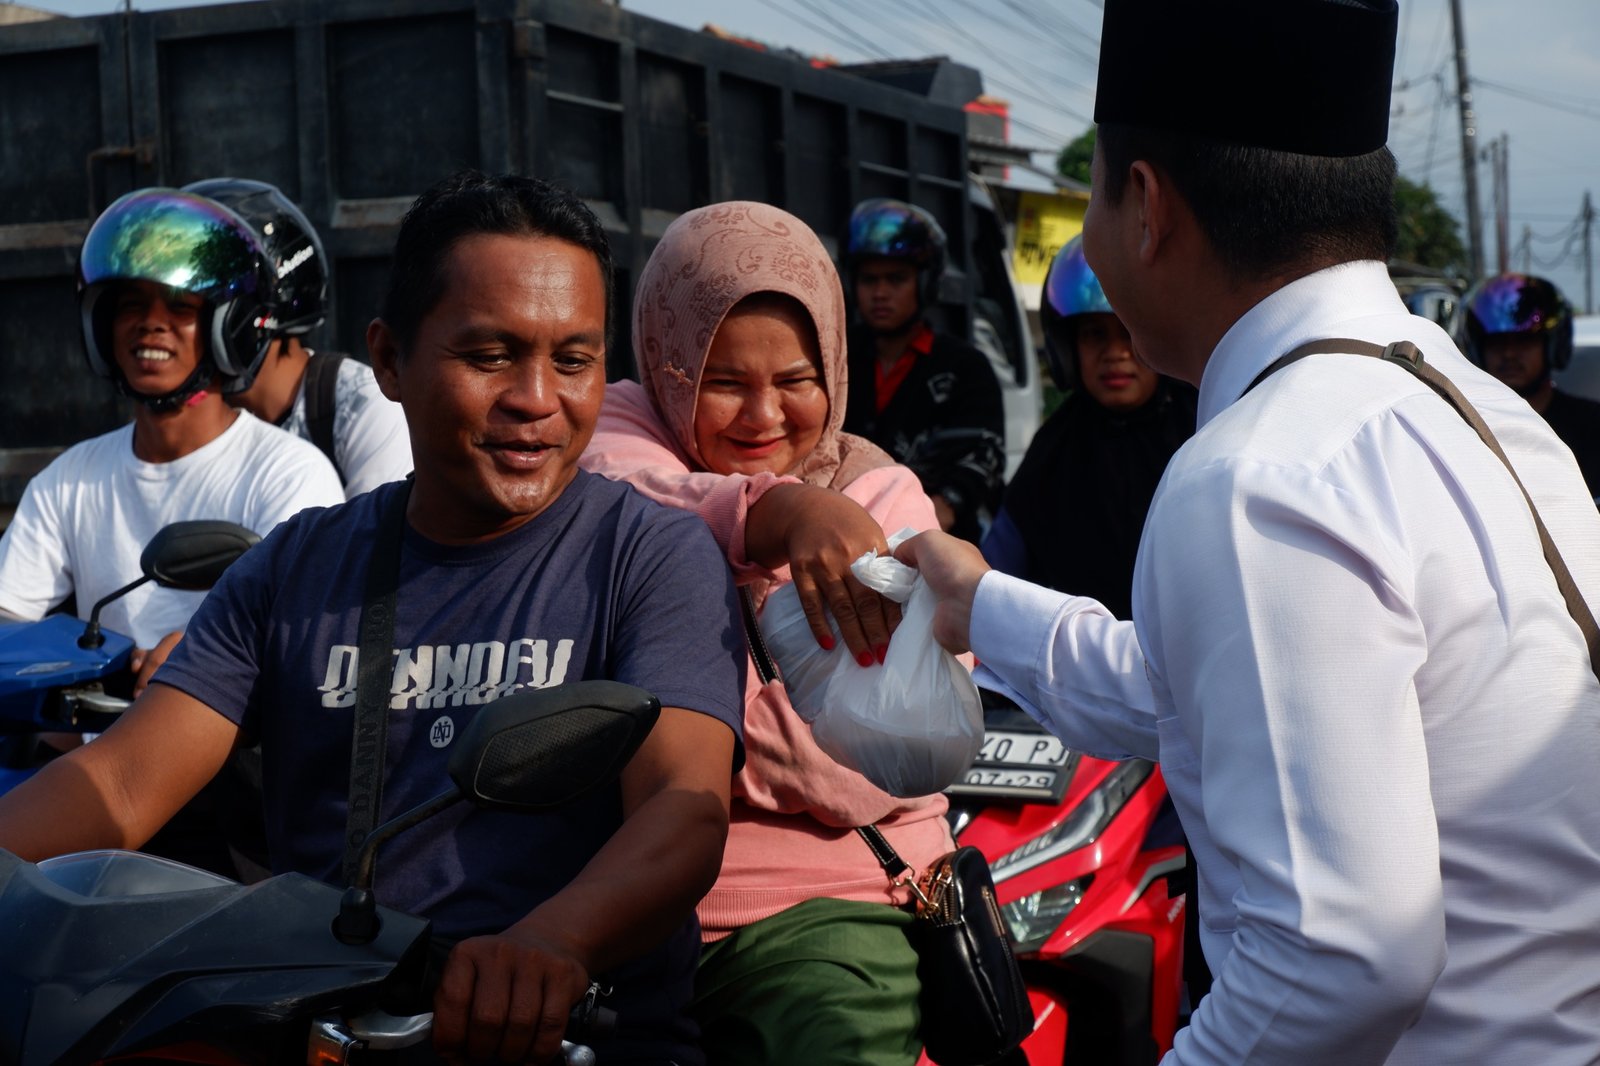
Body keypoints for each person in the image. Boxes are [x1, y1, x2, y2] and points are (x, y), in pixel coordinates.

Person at [896, 1, 1600, 1063]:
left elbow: (1338, 960)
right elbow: (1218, 690)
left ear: (1143, 206)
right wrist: (974, 601)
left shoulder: (1255, 473)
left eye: (1091, 191)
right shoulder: (1461, 401)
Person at [0, 170, 747, 1066]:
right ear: (390, 360)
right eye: (490, 355)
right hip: (320, 1024)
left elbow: (682, 809)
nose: (538, 398)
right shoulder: (296, 565)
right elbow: (119, 787)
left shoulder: (651, 556)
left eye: (574, 360)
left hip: (572, 1037)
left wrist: (551, 945)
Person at [580, 201, 956, 1066]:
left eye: (796, 378)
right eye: (721, 381)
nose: (763, 417)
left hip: (828, 912)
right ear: (668, 367)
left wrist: (693, 711)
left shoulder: (884, 500)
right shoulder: (621, 433)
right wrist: (778, 515)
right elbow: (612, 486)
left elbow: (867, 773)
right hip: (617, 915)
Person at [981, 234, 1195, 618]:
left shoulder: (1204, 427)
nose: (1115, 353)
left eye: (1128, 331)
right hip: (1078, 664)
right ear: (1067, 347)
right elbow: (996, 575)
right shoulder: (1053, 450)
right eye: (1095, 334)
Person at [183, 177, 413, 499]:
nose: (171, 324)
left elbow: (372, 541)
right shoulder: (191, 416)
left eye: (198, 303)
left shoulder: (362, 408)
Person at [841, 197, 1006, 544]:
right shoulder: (836, 355)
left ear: (926, 282)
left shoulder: (964, 367)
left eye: (896, 279)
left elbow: (979, 464)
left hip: (935, 546)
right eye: (869, 280)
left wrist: (916, 527)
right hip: (840, 537)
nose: (880, 293)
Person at [1460, 271, 1600, 499]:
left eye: (1524, 340)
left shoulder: (1592, 428)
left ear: (1553, 344)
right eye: (1496, 342)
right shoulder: (1460, 429)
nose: (1509, 353)